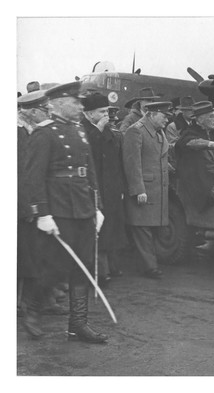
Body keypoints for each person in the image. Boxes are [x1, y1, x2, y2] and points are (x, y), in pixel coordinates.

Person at [22, 81, 108, 343]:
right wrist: (42, 213)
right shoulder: (43, 133)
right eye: (76, 102)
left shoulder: (79, 131)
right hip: (58, 209)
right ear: (58, 104)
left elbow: (90, 172)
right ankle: (32, 310)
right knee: (54, 267)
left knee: (82, 267)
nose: (80, 106)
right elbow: (32, 177)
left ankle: (77, 325)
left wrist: (97, 207)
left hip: (82, 207)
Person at [17, 90, 69, 316]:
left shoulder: (33, 131)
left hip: (35, 203)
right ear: (33, 112)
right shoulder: (18, 133)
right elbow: (20, 175)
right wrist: (27, 206)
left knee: (37, 255)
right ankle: (22, 304)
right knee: (22, 256)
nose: (49, 114)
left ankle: (39, 300)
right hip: (22, 206)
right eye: (45, 111)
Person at [81, 93, 128, 285]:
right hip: (95, 187)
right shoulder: (84, 129)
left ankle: (111, 265)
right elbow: (88, 154)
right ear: (90, 113)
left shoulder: (106, 130)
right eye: (101, 112)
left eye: (106, 111)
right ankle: (100, 272)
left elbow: (116, 160)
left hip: (111, 187)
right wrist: (98, 131)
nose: (106, 115)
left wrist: (120, 186)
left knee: (111, 227)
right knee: (98, 229)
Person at [122, 101, 172, 279]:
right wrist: (138, 189)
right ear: (152, 114)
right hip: (145, 189)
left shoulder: (157, 131)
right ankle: (149, 267)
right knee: (142, 229)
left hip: (157, 188)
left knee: (150, 228)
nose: (166, 120)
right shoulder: (136, 130)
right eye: (164, 116)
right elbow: (131, 163)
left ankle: (149, 264)